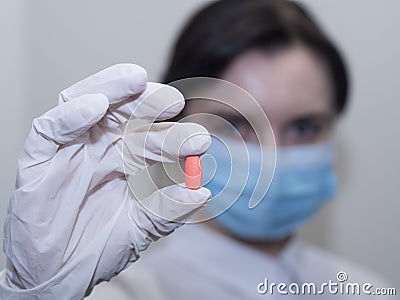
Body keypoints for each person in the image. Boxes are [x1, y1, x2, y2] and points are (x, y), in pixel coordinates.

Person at [0, 1, 395, 300]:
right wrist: (34, 292)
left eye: (304, 127)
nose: (272, 157)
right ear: (175, 129)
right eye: (237, 124)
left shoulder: (368, 289)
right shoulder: (105, 294)